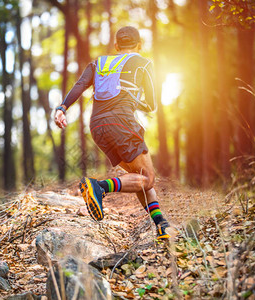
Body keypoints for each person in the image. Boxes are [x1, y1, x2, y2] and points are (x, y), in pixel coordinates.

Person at [54, 26, 171, 240]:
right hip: (122, 124)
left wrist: (62, 108)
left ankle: (162, 226)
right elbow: (152, 103)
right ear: (139, 45)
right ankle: (99, 186)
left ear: (116, 46)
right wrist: (138, 103)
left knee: (140, 177)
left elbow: (81, 84)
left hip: (97, 126)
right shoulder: (143, 63)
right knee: (149, 179)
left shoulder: (98, 63)